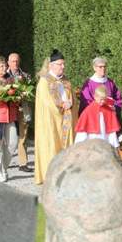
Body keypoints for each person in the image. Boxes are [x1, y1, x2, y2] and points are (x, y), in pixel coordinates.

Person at [34, 49, 78, 185]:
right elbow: (46, 103)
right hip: (51, 123)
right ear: (51, 65)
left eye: (64, 64)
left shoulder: (66, 81)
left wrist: (71, 103)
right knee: (52, 146)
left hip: (67, 119)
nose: (63, 67)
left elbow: (73, 98)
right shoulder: (44, 82)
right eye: (60, 64)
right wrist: (61, 105)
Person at [6, 52, 33, 173]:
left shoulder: (26, 76)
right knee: (7, 137)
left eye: (17, 61)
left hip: (23, 109)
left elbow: (31, 93)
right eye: (13, 61)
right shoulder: (4, 76)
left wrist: (25, 94)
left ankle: (23, 163)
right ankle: (5, 160)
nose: (15, 63)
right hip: (9, 110)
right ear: (8, 63)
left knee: (23, 136)